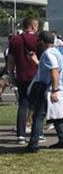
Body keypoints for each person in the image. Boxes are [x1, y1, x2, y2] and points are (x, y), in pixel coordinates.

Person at [26, 31, 63, 152]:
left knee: (38, 116)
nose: (38, 43)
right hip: (55, 88)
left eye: (39, 40)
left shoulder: (48, 54)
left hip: (49, 90)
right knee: (57, 117)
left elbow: (54, 71)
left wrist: (54, 90)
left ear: (43, 42)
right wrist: (36, 61)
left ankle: (33, 144)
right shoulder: (56, 53)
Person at [7, 17, 40, 145]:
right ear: (32, 26)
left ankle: (21, 135)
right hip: (36, 75)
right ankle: (37, 133)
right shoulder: (38, 40)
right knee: (37, 105)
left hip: (21, 76)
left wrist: (10, 73)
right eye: (36, 26)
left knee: (23, 104)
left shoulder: (15, 39)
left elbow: (11, 59)